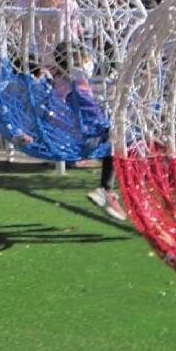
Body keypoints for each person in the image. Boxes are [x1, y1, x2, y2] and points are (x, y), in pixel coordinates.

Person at [51, 40, 123, 221]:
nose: (89, 63)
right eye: (86, 60)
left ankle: (106, 191)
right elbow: (95, 119)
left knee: (113, 139)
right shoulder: (78, 90)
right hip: (81, 142)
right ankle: (106, 190)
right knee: (117, 138)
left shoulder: (59, 84)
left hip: (63, 140)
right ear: (77, 65)